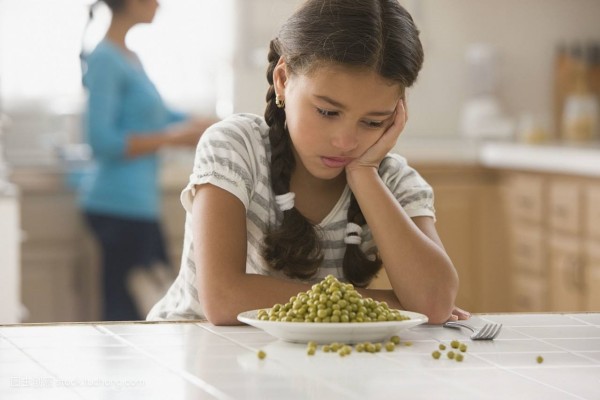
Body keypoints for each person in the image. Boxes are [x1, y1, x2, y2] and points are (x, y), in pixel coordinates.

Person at [148, 0, 470, 325]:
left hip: (303, 365)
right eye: (328, 112)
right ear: (283, 80)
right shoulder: (236, 147)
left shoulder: (392, 181)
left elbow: (433, 302)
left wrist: (364, 175)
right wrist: (391, 305)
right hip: (192, 348)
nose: (345, 142)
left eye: (372, 122)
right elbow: (224, 299)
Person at [80, 0, 214, 321]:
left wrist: (203, 123)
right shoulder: (105, 59)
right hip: (116, 203)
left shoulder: (130, 58)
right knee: (130, 312)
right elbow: (102, 140)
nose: (158, 4)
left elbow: (159, 116)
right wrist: (174, 137)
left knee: (150, 304)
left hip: (138, 203)